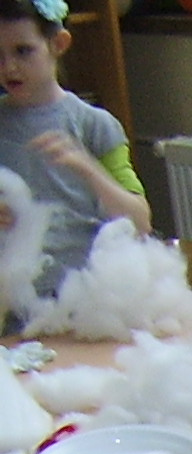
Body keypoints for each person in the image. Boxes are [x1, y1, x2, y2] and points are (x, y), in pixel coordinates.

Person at [0, 0, 151, 300]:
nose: (9, 67)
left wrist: (88, 168)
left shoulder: (95, 124)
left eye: (23, 51)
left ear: (58, 44)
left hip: (87, 297)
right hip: (12, 301)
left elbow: (140, 223)